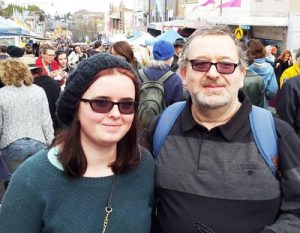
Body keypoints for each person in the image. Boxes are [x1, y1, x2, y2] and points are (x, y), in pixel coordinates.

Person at [146, 24, 300, 233]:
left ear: (242, 74)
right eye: (200, 64)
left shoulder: (277, 134)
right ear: (183, 73)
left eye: (226, 65)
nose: (212, 73)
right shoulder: (162, 126)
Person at [0, 53, 155, 233]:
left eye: (127, 105)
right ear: (76, 107)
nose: (115, 113)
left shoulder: (144, 165)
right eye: (101, 102)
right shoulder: (31, 178)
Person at [0, 59, 54, 181]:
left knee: (14, 182)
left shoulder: (2, 94)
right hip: (38, 141)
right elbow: (46, 119)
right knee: (37, 180)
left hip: (11, 143)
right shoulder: (38, 90)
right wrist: (51, 141)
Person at [138, 40, 183, 105]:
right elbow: (176, 105)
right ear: (170, 57)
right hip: (165, 115)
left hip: (141, 114)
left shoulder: (139, 74)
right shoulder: (175, 79)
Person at [247, 39, 278, 109]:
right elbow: (272, 91)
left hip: (244, 104)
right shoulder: (269, 68)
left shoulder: (244, 67)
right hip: (262, 105)